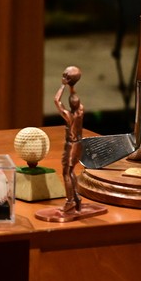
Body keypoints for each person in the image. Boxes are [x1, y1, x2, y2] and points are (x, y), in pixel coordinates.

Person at [53, 66, 84, 213]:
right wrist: (72, 86)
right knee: (72, 172)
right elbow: (75, 99)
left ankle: (70, 201)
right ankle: (77, 197)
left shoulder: (69, 116)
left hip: (71, 145)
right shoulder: (80, 111)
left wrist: (63, 85)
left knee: (66, 172)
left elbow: (57, 101)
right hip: (79, 144)